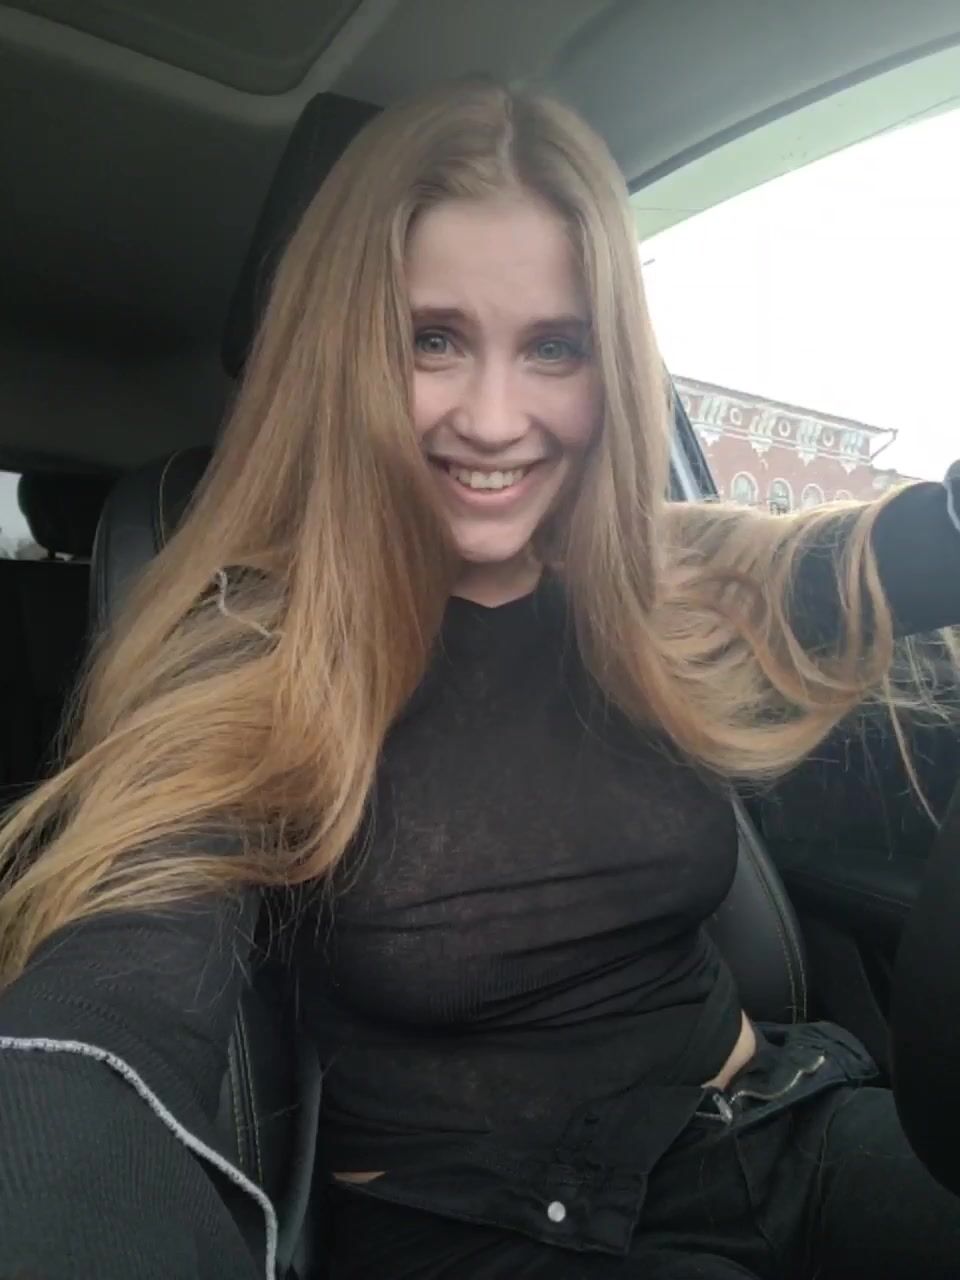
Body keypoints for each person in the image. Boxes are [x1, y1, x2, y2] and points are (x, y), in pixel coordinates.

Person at [1, 79, 960, 1280]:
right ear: (346, 353)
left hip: (774, 1128)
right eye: (433, 340)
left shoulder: (660, 578)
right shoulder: (258, 641)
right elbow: (125, 967)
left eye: (554, 346)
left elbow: (888, 554)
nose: (496, 420)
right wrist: (51, 1121)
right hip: (485, 1226)